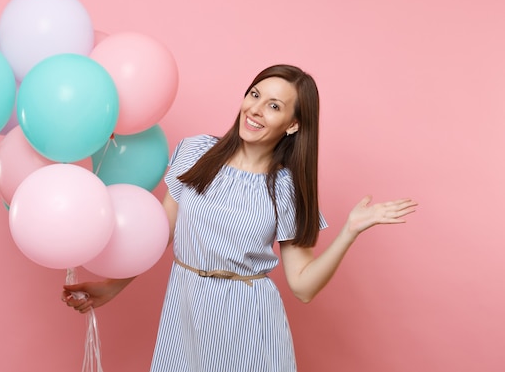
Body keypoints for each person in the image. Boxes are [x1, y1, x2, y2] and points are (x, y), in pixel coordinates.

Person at [62, 64, 418, 371]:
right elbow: (161, 233)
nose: (256, 109)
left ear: (293, 125)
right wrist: (112, 285)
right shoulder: (195, 151)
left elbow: (303, 287)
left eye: (274, 106)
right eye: (255, 94)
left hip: (246, 319)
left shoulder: (288, 190)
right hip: (185, 308)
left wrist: (349, 232)